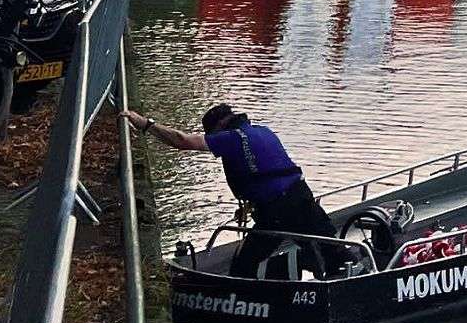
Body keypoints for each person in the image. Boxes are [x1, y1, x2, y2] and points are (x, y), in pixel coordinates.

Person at [120, 102, 350, 279]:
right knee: (329, 246)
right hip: (300, 196)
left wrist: (145, 124)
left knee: (245, 263)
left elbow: (182, 141)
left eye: (212, 134)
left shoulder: (231, 138)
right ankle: (347, 271)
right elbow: (264, 170)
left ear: (219, 126)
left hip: (279, 209)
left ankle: (243, 303)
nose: (213, 139)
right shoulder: (262, 131)